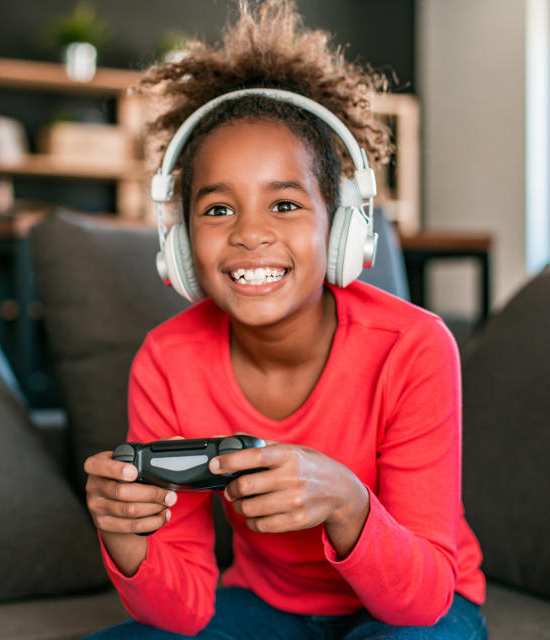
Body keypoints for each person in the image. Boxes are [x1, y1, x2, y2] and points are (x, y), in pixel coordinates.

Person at [83, 2, 487, 638]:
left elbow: (420, 601)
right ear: (180, 242)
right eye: (217, 210)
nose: (249, 234)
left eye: (285, 203)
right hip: (268, 609)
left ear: (342, 229)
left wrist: (348, 503)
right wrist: (125, 538)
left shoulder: (413, 347)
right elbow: (184, 610)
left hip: (419, 605)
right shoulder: (166, 361)